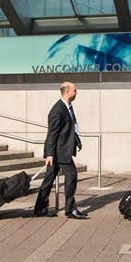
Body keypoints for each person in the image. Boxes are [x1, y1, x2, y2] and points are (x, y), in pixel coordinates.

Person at [32, 82, 87, 219]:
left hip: (61, 150)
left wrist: (77, 141)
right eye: (75, 90)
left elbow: (72, 127)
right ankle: (70, 209)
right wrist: (49, 154)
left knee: (49, 179)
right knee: (72, 175)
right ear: (67, 92)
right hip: (59, 151)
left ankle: (40, 209)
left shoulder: (68, 107)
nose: (76, 92)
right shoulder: (57, 110)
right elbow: (52, 134)